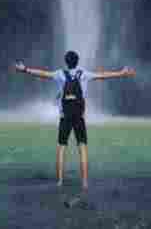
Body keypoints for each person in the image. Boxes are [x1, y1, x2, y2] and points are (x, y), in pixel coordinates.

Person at [13, 50, 135, 190]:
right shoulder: (84, 74)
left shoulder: (60, 74)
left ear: (66, 61)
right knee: (82, 148)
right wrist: (122, 73)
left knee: (61, 148)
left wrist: (25, 69)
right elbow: (103, 76)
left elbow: (43, 74)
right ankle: (84, 182)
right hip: (79, 116)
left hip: (65, 116)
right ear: (78, 61)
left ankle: (59, 181)